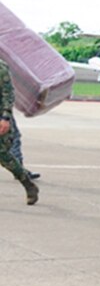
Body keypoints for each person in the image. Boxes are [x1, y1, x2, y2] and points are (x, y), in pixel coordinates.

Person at [0, 60, 39, 205]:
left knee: (3, 155)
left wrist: (5, 117)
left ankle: (28, 184)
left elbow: (8, 94)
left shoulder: (1, 68)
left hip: (0, 117)